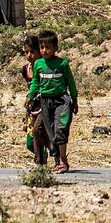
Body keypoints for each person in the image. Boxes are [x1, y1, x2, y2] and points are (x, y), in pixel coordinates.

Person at [28, 30, 77, 172]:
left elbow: (70, 82)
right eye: (42, 47)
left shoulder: (62, 64)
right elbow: (36, 82)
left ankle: (63, 161)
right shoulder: (38, 64)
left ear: (55, 48)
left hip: (61, 100)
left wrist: (74, 99)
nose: (44, 50)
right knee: (50, 132)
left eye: (48, 47)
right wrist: (30, 96)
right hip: (45, 101)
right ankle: (56, 161)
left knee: (60, 128)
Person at [19, 34, 46, 164]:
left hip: (45, 104)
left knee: (39, 132)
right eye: (26, 52)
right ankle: (41, 156)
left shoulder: (44, 67)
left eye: (32, 51)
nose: (29, 55)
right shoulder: (25, 69)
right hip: (32, 105)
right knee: (30, 142)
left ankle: (41, 161)